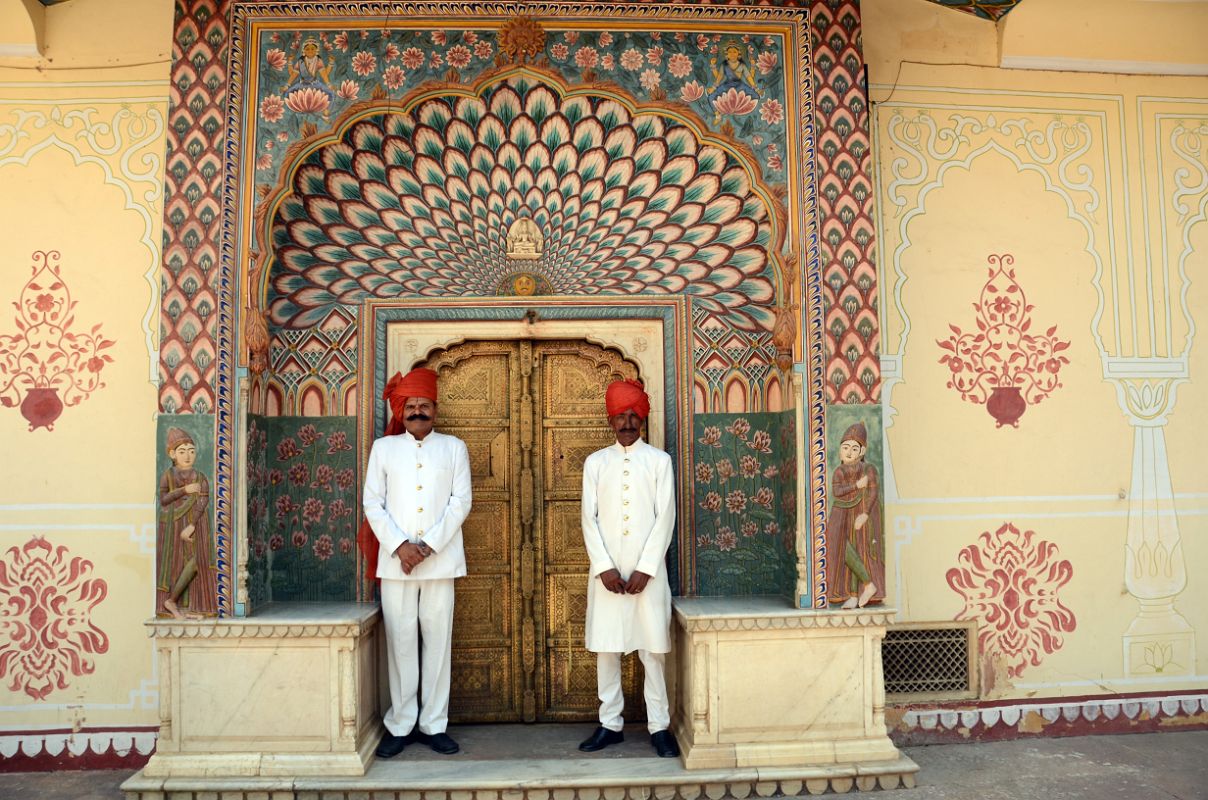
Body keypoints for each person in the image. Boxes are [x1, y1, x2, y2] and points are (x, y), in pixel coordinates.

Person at [363, 367, 472, 757]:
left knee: (438, 642)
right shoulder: (384, 449)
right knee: (402, 642)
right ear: (402, 410)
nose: (418, 411)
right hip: (397, 564)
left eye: (424, 405)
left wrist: (426, 545)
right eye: (411, 405)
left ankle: (434, 723)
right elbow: (372, 502)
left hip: (439, 562)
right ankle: (401, 723)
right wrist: (399, 546)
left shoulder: (454, 447)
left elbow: (461, 502)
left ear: (435, 410)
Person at [578, 379, 679, 758]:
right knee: (607, 648)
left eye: (634, 414)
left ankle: (659, 726)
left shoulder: (659, 462)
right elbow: (588, 519)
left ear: (644, 417)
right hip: (607, 575)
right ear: (610, 419)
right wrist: (603, 567)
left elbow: (664, 516)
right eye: (621, 414)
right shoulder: (596, 463)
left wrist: (647, 568)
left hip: (647, 576)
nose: (628, 421)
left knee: (652, 651)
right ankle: (610, 724)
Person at [156, 428, 217, 618]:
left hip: (196, 524)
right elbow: (164, 499)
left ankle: (183, 604)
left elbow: (203, 500)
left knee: (198, 563)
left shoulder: (200, 477)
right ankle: (173, 603)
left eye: (191, 450)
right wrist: (184, 490)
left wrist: (191, 526)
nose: (188, 455)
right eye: (182, 451)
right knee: (176, 564)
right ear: (172, 454)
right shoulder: (168, 475)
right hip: (173, 525)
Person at [824, 422, 884, 609]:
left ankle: (859, 591)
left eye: (854, 448)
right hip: (840, 514)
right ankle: (861, 588)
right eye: (845, 448)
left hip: (860, 513)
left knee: (859, 550)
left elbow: (874, 493)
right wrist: (856, 486)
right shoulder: (839, 471)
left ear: (862, 451)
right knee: (842, 550)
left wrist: (865, 514)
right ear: (840, 451)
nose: (849, 452)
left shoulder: (868, 469)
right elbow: (837, 492)